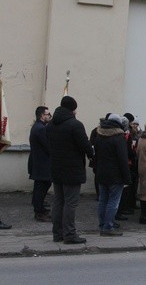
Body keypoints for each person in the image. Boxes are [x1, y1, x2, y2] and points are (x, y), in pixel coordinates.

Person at [46, 96, 94, 244]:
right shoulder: (75, 125)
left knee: (58, 201)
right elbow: (85, 146)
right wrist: (91, 153)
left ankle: (57, 234)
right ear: (73, 109)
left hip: (56, 167)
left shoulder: (50, 125)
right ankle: (70, 235)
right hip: (72, 169)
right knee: (70, 203)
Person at [94, 114, 131, 237]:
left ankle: (102, 224)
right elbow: (122, 159)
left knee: (103, 200)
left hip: (101, 173)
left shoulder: (99, 135)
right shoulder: (118, 137)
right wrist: (127, 177)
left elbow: (96, 155)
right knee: (113, 202)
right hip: (115, 174)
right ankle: (108, 227)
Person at [28, 106, 52, 222]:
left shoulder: (37, 127)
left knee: (40, 187)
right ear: (42, 115)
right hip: (42, 164)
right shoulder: (41, 129)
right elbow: (48, 146)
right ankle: (39, 212)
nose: (49, 116)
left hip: (39, 163)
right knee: (41, 188)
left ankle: (40, 208)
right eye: (48, 114)